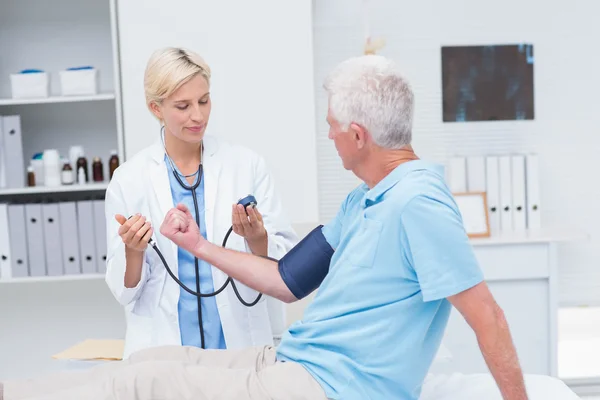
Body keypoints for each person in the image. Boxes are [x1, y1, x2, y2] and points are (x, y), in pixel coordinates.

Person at [0, 55, 527, 400]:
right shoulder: (365, 199)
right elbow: (287, 278)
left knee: (141, 383)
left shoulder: (419, 203)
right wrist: (197, 243)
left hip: (327, 385)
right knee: (153, 358)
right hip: (294, 358)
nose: (329, 135)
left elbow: (489, 318)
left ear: (360, 136)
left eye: (334, 127)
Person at [103, 47, 298, 358]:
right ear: (156, 108)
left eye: (204, 101)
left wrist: (257, 238)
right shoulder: (129, 179)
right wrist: (133, 250)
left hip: (240, 346)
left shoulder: (246, 166)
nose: (198, 115)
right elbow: (124, 291)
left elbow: (284, 267)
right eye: (183, 106)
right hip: (164, 353)